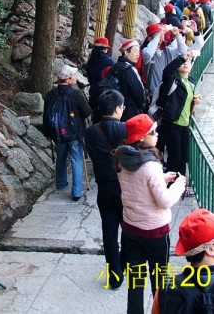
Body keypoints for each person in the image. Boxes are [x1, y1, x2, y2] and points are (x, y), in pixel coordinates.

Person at [115, 114, 186, 314]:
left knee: (135, 284)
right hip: (155, 233)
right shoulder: (151, 166)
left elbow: (138, 185)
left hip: (131, 231)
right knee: (159, 284)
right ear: (141, 137)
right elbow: (164, 201)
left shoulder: (122, 160)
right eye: (152, 132)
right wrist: (179, 186)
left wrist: (161, 179)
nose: (157, 134)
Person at [84, 90, 127, 289]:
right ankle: (123, 266)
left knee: (109, 233)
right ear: (117, 109)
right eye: (122, 107)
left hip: (104, 188)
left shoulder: (90, 132)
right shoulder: (125, 130)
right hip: (124, 188)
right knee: (128, 230)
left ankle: (114, 275)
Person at [42, 65, 91, 201]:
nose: (75, 78)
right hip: (75, 134)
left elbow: (46, 115)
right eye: (74, 75)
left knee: (61, 158)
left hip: (58, 134)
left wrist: (47, 132)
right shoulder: (76, 94)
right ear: (68, 79)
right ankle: (76, 192)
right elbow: (87, 112)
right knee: (77, 160)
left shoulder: (50, 94)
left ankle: (61, 183)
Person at [156, 52, 200, 176]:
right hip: (172, 124)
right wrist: (182, 58)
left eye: (188, 62)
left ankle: (181, 183)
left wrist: (194, 102)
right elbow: (167, 70)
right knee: (175, 158)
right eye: (183, 62)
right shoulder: (172, 79)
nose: (186, 63)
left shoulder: (190, 82)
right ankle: (171, 184)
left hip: (185, 125)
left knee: (183, 158)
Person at [116, 39, 148, 121]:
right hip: (129, 113)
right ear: (126, 52)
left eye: (139, 52)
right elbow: (139, 93)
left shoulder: (115, 66)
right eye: (135, 51)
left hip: (115, 111)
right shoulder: (130, 69)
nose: (138, 54)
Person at [85, 36, 115, 121]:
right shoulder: (109, 61)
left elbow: (89, 77)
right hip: (104, 94)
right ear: (105, 48)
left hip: (93, 91)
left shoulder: (91, 60)